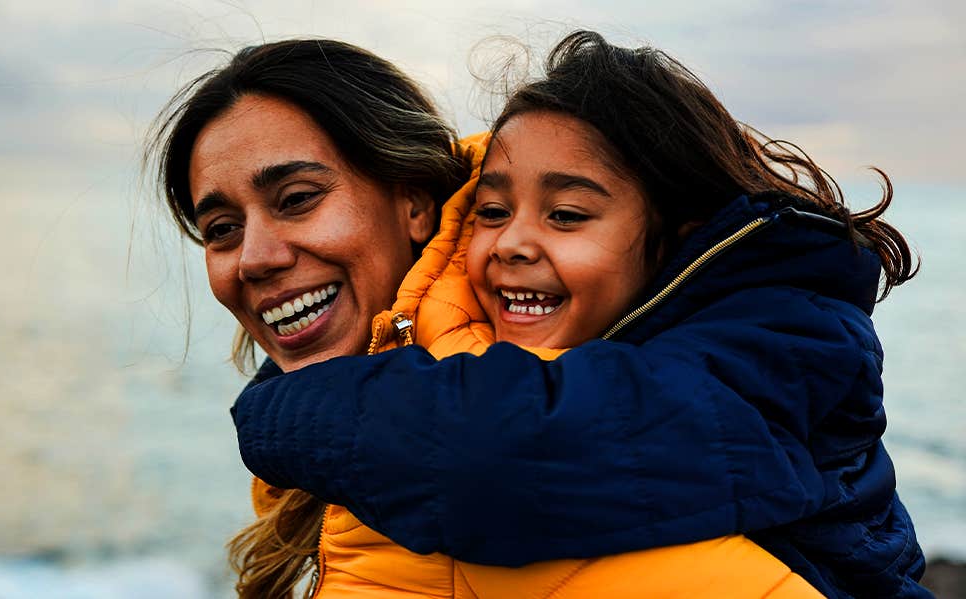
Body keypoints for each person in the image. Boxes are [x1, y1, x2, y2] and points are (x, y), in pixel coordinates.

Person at [232, 31, 931, 598]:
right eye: (492, 211)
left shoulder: (779, 342)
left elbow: (497, 455)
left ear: (676, 237)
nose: (511, 242)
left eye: (566, 214)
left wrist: (274, 411)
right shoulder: (623, 343)